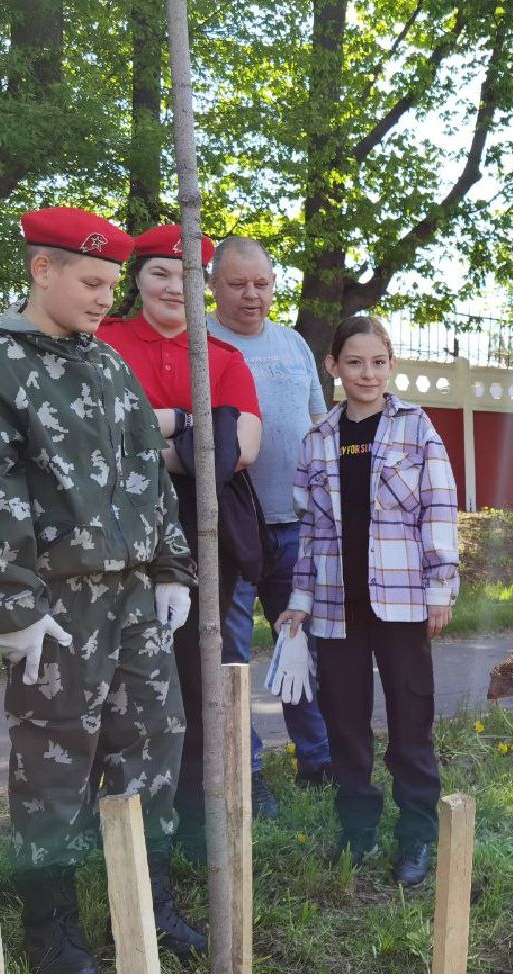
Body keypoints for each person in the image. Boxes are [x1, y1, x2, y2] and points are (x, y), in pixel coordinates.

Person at [0, 208, 206, 974]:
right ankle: (50, 926)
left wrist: (170, 567)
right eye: (91, 283)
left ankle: (147, 901)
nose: (104, 299)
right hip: (57, 605)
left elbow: (150, 474)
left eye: (110, 285)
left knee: (155, 741)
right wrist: (11, 605)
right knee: (57, 762)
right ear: (42, 270)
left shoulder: (106, 365)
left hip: (131, 596)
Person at [97, 224, 264, 858]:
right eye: (159, 273)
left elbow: (243, 449)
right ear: (137, 278)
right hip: (114, 535)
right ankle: (111, 825)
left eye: (186, 276)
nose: (172, 286)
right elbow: (91, 447)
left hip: (201, 540)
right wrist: (198, 426)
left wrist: (143, 434)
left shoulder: (222, 358)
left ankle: (189, 826)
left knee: (195, 679)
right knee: (115, 680)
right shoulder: (103, 346)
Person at [276, 315, 459, 889]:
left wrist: (440, 587)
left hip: (403, 602)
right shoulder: (318, 440)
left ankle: (416, 835)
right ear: (332, 367)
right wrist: (299, 599)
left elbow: (438, 509)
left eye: (378, 362)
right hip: (335, 606)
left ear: (391, 364)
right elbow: (310, 531)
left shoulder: (416, 429)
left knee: (411, 722)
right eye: (354, 363)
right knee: (346, 724)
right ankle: (358, 831)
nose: (367, 373)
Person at [208, 237, 333, 812]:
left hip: (298, 528)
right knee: (230, 656)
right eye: (237, 284)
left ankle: (317, 757)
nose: (251, 295)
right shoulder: (199, 344)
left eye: (261, 283)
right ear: (213, 286)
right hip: (229, 534)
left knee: (299, 648)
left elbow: (317, 422)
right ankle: (247, 768)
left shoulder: (294, 345)